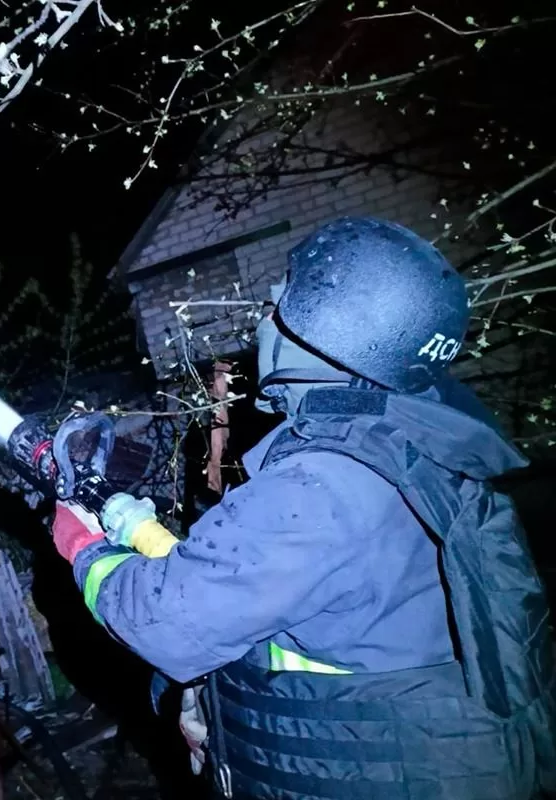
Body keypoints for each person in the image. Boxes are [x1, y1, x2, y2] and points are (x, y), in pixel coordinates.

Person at [51, 216, 555, 799]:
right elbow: (286, 602)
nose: (264, 323)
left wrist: (84, 547)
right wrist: (207, 691)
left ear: (327, 330)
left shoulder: (322, 486)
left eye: (278, 308)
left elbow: (165, 623)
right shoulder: (411, 451)